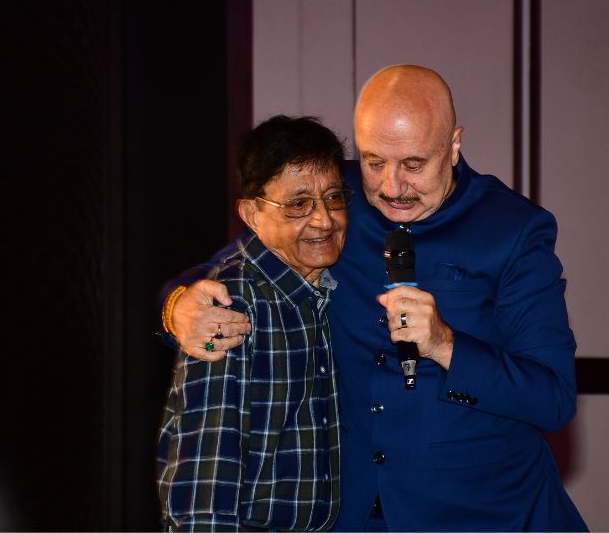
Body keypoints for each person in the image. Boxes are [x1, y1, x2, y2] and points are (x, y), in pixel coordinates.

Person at [161, 65, 587, 531]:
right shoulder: (333, 200)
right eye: (373, 162)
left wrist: (445, 344)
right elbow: (235, 267)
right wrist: (177, 306)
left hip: (485, 514)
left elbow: (553, 398)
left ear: (453, 146)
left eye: (413, 165)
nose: (391, 187)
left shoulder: (512, 229)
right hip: (351, 516)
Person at [157, 115, 352, 531]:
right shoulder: (231, 306)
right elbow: (205, 482)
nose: (324, 219)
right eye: (298, 204)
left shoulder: (319, 288)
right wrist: (174, 306)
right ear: (252, 213)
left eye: (334, 198)